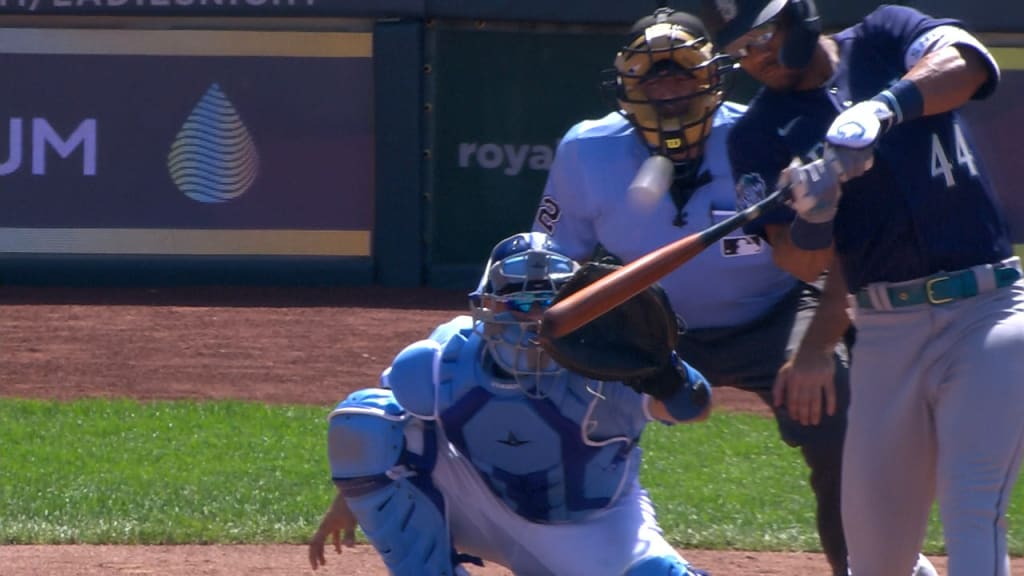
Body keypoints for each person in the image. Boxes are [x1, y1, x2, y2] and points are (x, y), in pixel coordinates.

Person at [700, 1, 1024, 574]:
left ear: (798, 14)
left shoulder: (883, 35)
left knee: (972, 506)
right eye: (739, 50)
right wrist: (815, 214)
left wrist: (883, 107)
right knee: (874, 552)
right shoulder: (757, 134)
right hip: (884, 330)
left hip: (987, 309)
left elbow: (970, 63)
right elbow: (800, 263)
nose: (755, 58)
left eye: (762, 36)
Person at [532, 7, 857, 575]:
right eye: (653, 80)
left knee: (836, 411)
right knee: (551, 412)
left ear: (713, 76)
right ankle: (566, 554)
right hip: (650, 327)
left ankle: (871, 561)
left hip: (776, 312)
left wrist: (817, 350)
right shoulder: (587, 150)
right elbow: (552, 261)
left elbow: (825, 259)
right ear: (625, 88)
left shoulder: (760, 133)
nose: (669, 93)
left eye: (682, 75)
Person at [308, 231, 714, 575]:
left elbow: (693, 408)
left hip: (593, 527)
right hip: (481, 505)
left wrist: (666, 374)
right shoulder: (446, 357)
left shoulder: (606, 367)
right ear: (487, 306)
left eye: (546, 303)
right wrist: (351, 499)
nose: (533, 317)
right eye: (518, 303)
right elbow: (378, 433)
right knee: (362, 420)